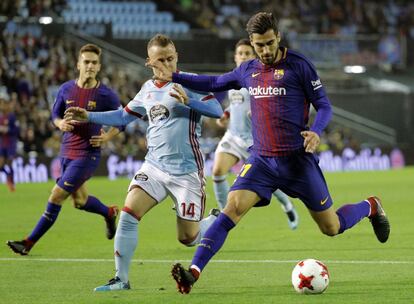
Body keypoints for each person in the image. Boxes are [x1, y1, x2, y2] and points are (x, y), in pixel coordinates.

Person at [147, 12, 391, 294]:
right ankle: (193, 272)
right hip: (262, 161)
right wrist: (174, 75)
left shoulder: (299, 66)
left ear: (278, 37)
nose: (265, 50)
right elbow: (214, 83)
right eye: (259, 45)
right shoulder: (247, 70)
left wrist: (317, 131)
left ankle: (371, 206)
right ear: (252, 43)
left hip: (298, 163)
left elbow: (324, 106)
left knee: (331, 227)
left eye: (269, 43)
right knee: (232, 209)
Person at [64, 34, 223, 291]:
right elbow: (123, 117)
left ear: (177, 57)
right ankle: (121, 279)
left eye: (170, 58)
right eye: (160, 60)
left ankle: (211, 222)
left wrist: (189, 100)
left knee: (187, 238)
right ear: (149, 62)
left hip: (187, 173)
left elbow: (217, 111)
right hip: (155, 167)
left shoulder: (190, 82)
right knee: (128, 214)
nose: (166, 64)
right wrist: (89, 115)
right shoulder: (147, 90)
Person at [7, 44, 122, 255]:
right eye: (86, 62)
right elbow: (55, 115)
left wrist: (107, 136)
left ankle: (28, 243)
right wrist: (59, 124)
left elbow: (122, 119)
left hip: (87, 154)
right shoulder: (66, 89)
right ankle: (109, 212)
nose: (90, 66)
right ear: (78, 64)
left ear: (99, 67)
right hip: (66, 151)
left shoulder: (105, 94)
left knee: (56, 196)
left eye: (94, 63)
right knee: (79, 202)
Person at [212, 38, 299, 229]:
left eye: (247, 53)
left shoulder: (258, 78)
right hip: (233, 137)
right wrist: (225, 114)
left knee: (270, 184)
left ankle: (287, 205)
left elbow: (274, 102)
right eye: (240, 53)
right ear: (235, 57)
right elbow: (234, 104)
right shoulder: (232, 80)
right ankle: (224, 216)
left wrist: (262, 109)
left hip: (255, 141)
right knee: (217, 171)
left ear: (254, 57)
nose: (243, 56)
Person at [0, 93, 18, 192]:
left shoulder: (11, 117)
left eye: (3, 104)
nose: (1, 106)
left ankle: (12, 183)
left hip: (10, 144)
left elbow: (16, 130)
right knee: (1, 165)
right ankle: (8, 177)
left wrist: (7, 130)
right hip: (2, 144)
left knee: (10, 163)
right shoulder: (0, 117)